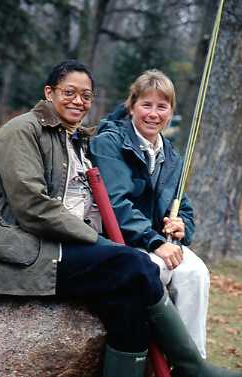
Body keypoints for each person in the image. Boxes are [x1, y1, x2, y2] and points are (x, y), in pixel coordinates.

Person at [0, 60, 240, 377]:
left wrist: (180, 226)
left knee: (129, 303)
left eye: (86, 95)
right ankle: (191, 367)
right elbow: (32, 207)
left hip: (62, 244)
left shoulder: (77, 137)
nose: (78, 101)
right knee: (136, 264)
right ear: (49, 92)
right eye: (69, 92)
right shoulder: (22, 130)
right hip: (26, 249)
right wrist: (101, 243)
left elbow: (115, 130)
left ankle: (184, 366)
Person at [90, 69, 209, 359]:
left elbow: (184, 206)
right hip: (125, 241)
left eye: (162, 106)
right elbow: (116, 203)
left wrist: (183, 227)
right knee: (157, 270)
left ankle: (191, 362)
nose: (153, 114)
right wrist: (155, 241)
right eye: (146, 104)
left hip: (159, 241)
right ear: (132, 106)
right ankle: (146, 358)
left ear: (171, 111)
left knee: (196, 273)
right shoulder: (110, 142)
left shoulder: (171, 155)